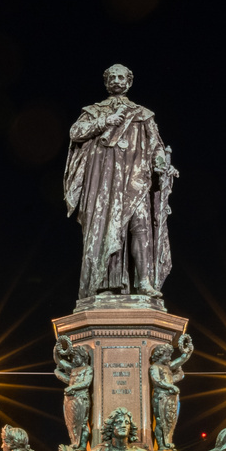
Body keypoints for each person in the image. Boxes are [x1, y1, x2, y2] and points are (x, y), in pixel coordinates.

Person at [62, 64, 175, 302]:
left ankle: (144, 282)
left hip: (135, 179)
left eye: (120, 76)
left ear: (129, 82)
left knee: (141, 226)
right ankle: (105, 283)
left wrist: (163, 164)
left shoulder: (143, 114)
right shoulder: (93, 111)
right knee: (108, 229)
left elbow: (156, 146)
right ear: (106, 82)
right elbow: (76, 132)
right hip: (105, 183)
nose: (116, 80)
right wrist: (105, 121)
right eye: (111, 77)